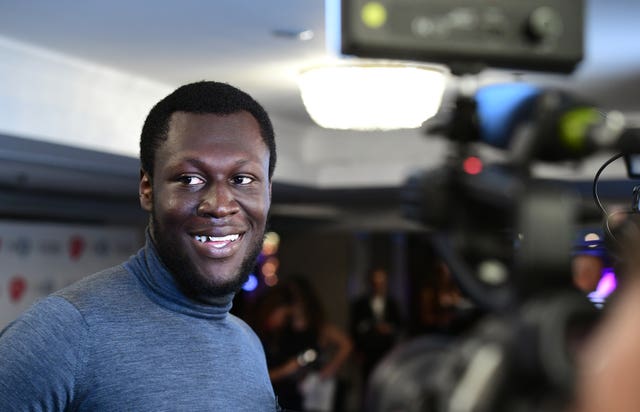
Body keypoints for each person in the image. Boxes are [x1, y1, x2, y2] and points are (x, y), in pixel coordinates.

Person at [0, 81, 281, 411]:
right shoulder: (65, 332)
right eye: (190, 179)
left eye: (243, 179)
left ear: (268, 192)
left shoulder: (247, 343)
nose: (219, 205)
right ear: (148, 189)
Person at [350, 267, 404, 385]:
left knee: (386, 382)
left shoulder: (392, 303)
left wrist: (389, 328)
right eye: (375, 283)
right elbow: (354, 328)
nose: (379, 286)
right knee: (369, 382)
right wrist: (357, 351)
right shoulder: (360, 304)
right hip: (368, 352)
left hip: (387, 351)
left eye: (382, 283)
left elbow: (400, 325)